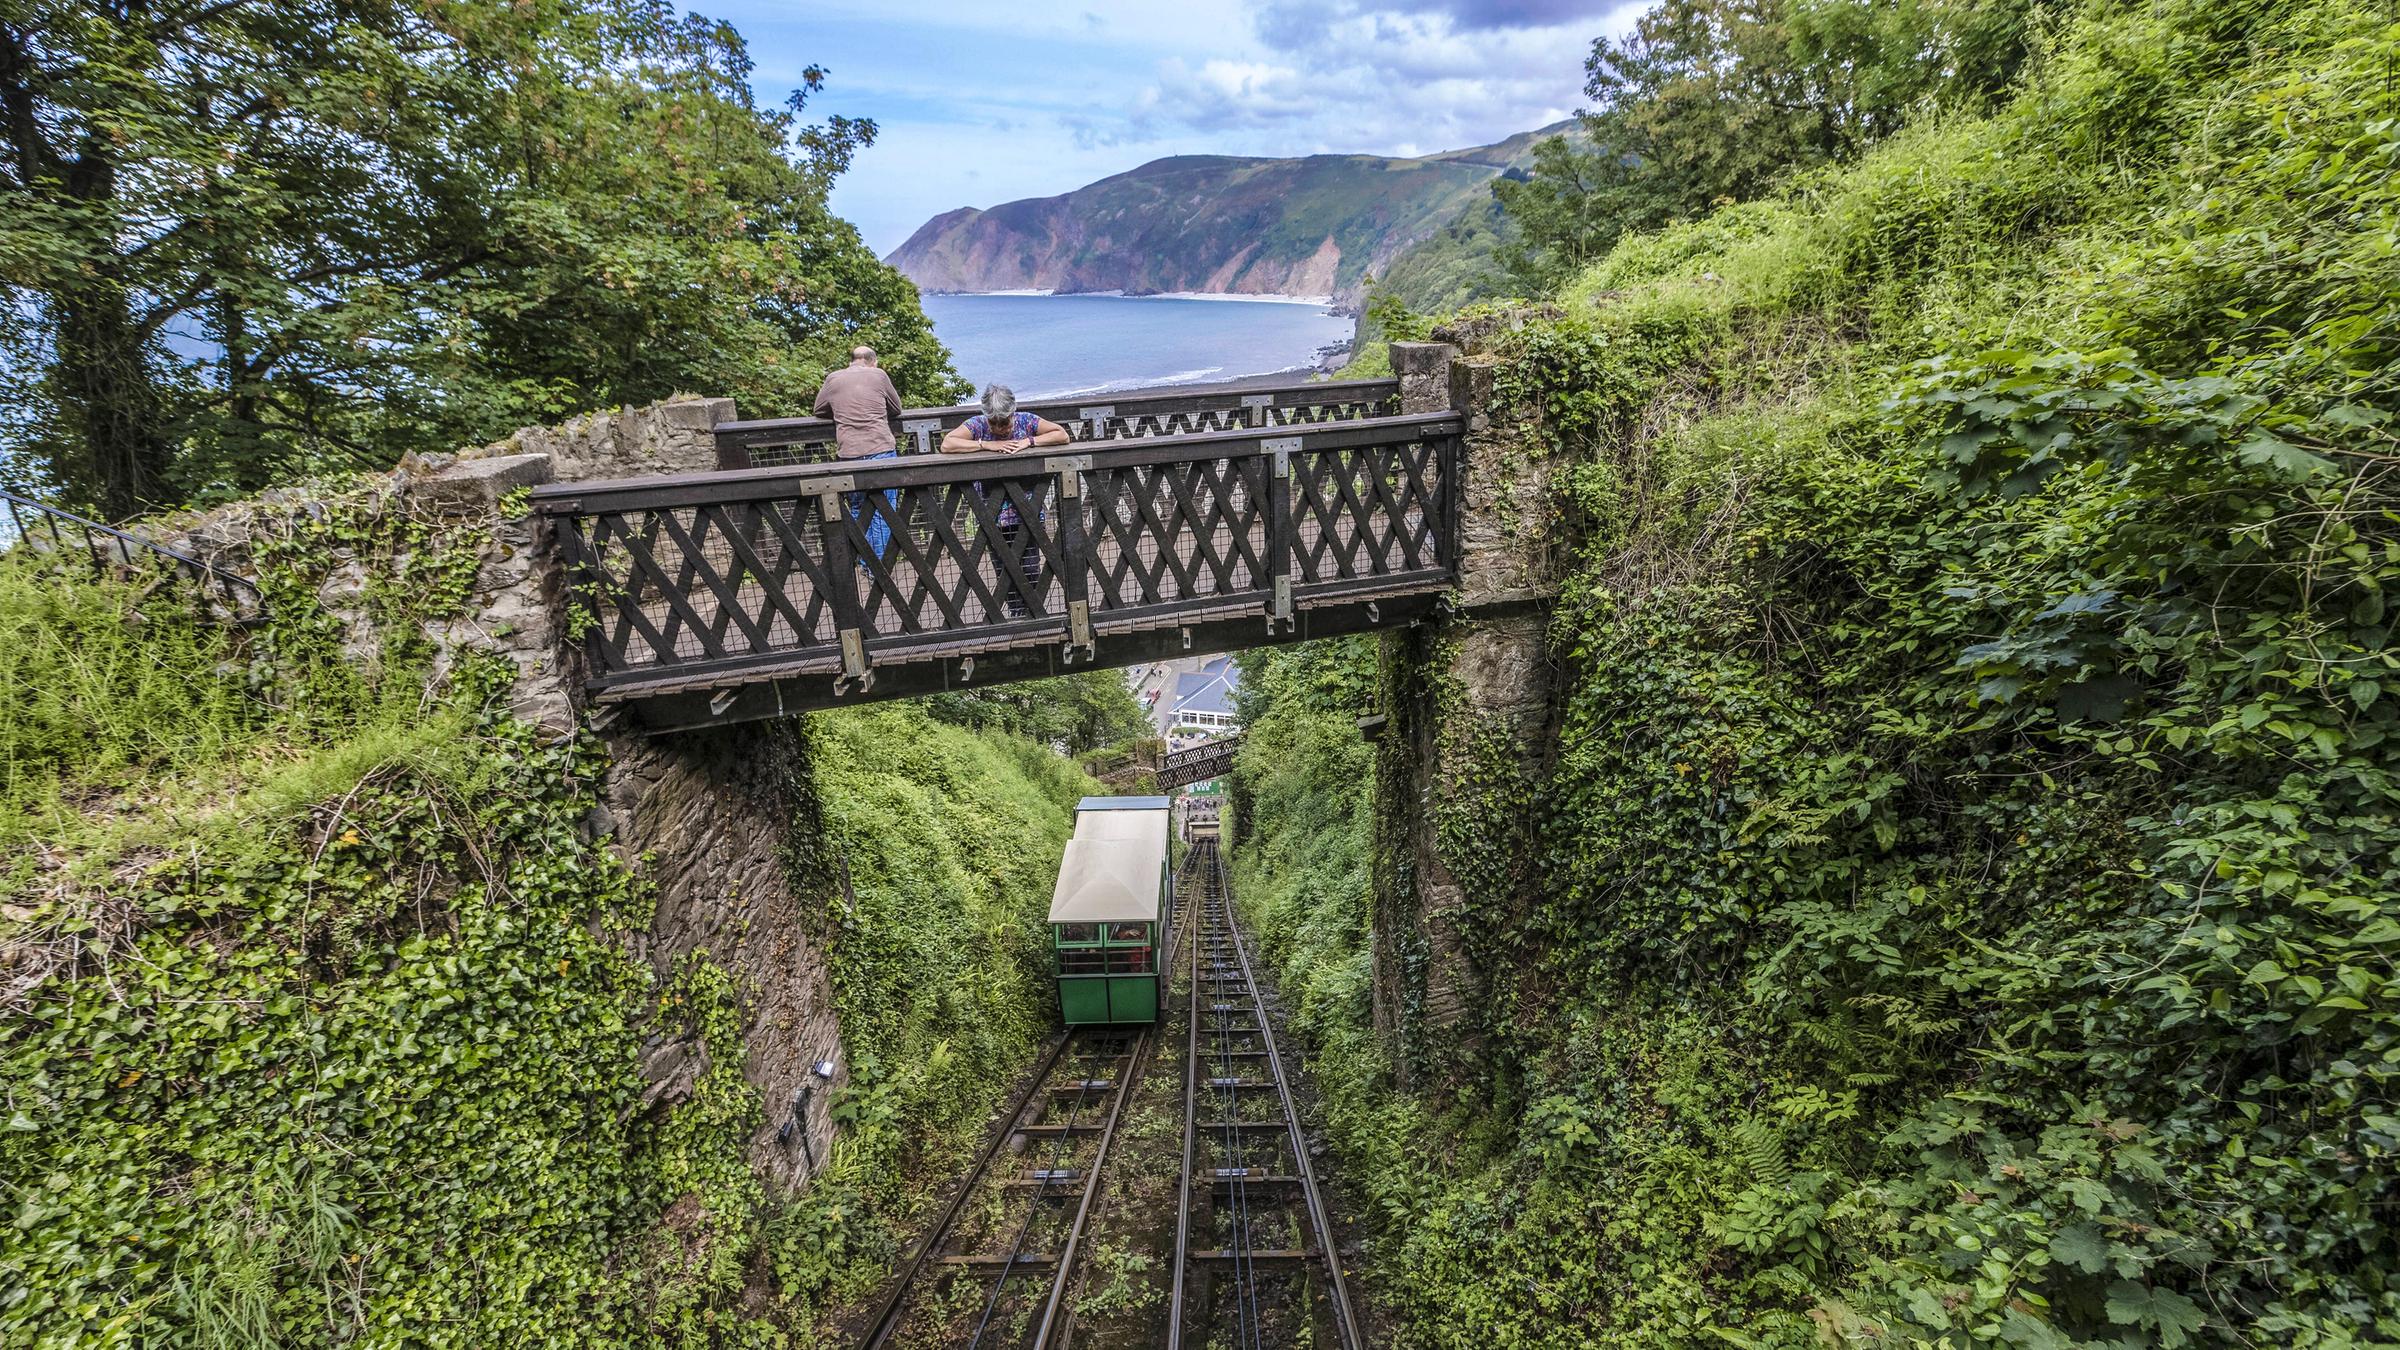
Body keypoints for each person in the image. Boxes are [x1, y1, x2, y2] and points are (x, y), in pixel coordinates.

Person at [940, 385, 1071, 617]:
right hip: (992, 513)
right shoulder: (978, 425)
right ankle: (1018, 616)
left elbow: (1062, 434)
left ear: (1013, 413)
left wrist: (1030, 442)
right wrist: (985, 444)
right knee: (1003, 570)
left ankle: (1034, 614)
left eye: (1004, 422)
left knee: (1030, 567)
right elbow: (948, 444)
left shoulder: (1027, 421)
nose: (999, 429)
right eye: (994, 423)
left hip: (1028, 512)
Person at [811, 346, 906, 562]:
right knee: (884, 510)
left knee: (857, 509)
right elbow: (896, 408)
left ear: (852, 360)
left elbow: (819, 410)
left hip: (849, 453)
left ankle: (864, 562)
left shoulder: (833, 378)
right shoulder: (879, 375)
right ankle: (879, 569)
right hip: (880, 449)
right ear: (873, 361)